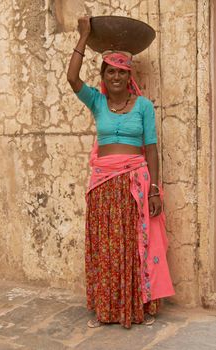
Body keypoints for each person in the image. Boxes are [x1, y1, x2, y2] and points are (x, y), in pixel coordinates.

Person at [67, 16, 174, 329]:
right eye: (111, 71)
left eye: (122, 71)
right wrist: (84, 36)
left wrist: (155, 189)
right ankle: (107, 307)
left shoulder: (143, 107)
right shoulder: (97, 102)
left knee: (133, 247)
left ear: (130, 76)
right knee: (107, 247)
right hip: (102, 186)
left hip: (134, 185)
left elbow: (150, 150)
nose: (116, 76)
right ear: (104, 75)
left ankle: (135, 305)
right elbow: (72, 79)